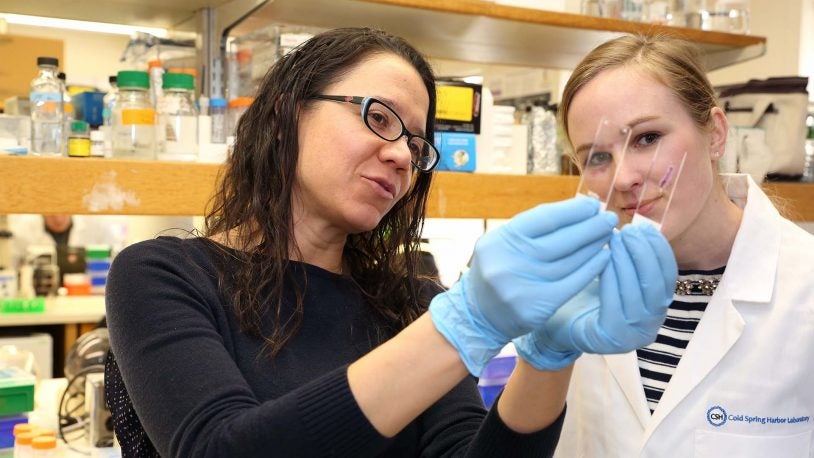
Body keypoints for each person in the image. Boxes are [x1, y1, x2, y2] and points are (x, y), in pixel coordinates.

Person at [103, 27, 676, 457]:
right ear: (284, 114)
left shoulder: (409, 298)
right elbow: (218, 450)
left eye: (418, 143)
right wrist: (465, 324)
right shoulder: (163, 275)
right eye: (380, 118)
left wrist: (548, 358)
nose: (403, 155)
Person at [552, 34, 814, 457]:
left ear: (715, 134)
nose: (623, 179)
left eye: (647, 138)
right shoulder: (578, 289)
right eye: (597, 157)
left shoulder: (805, 288)